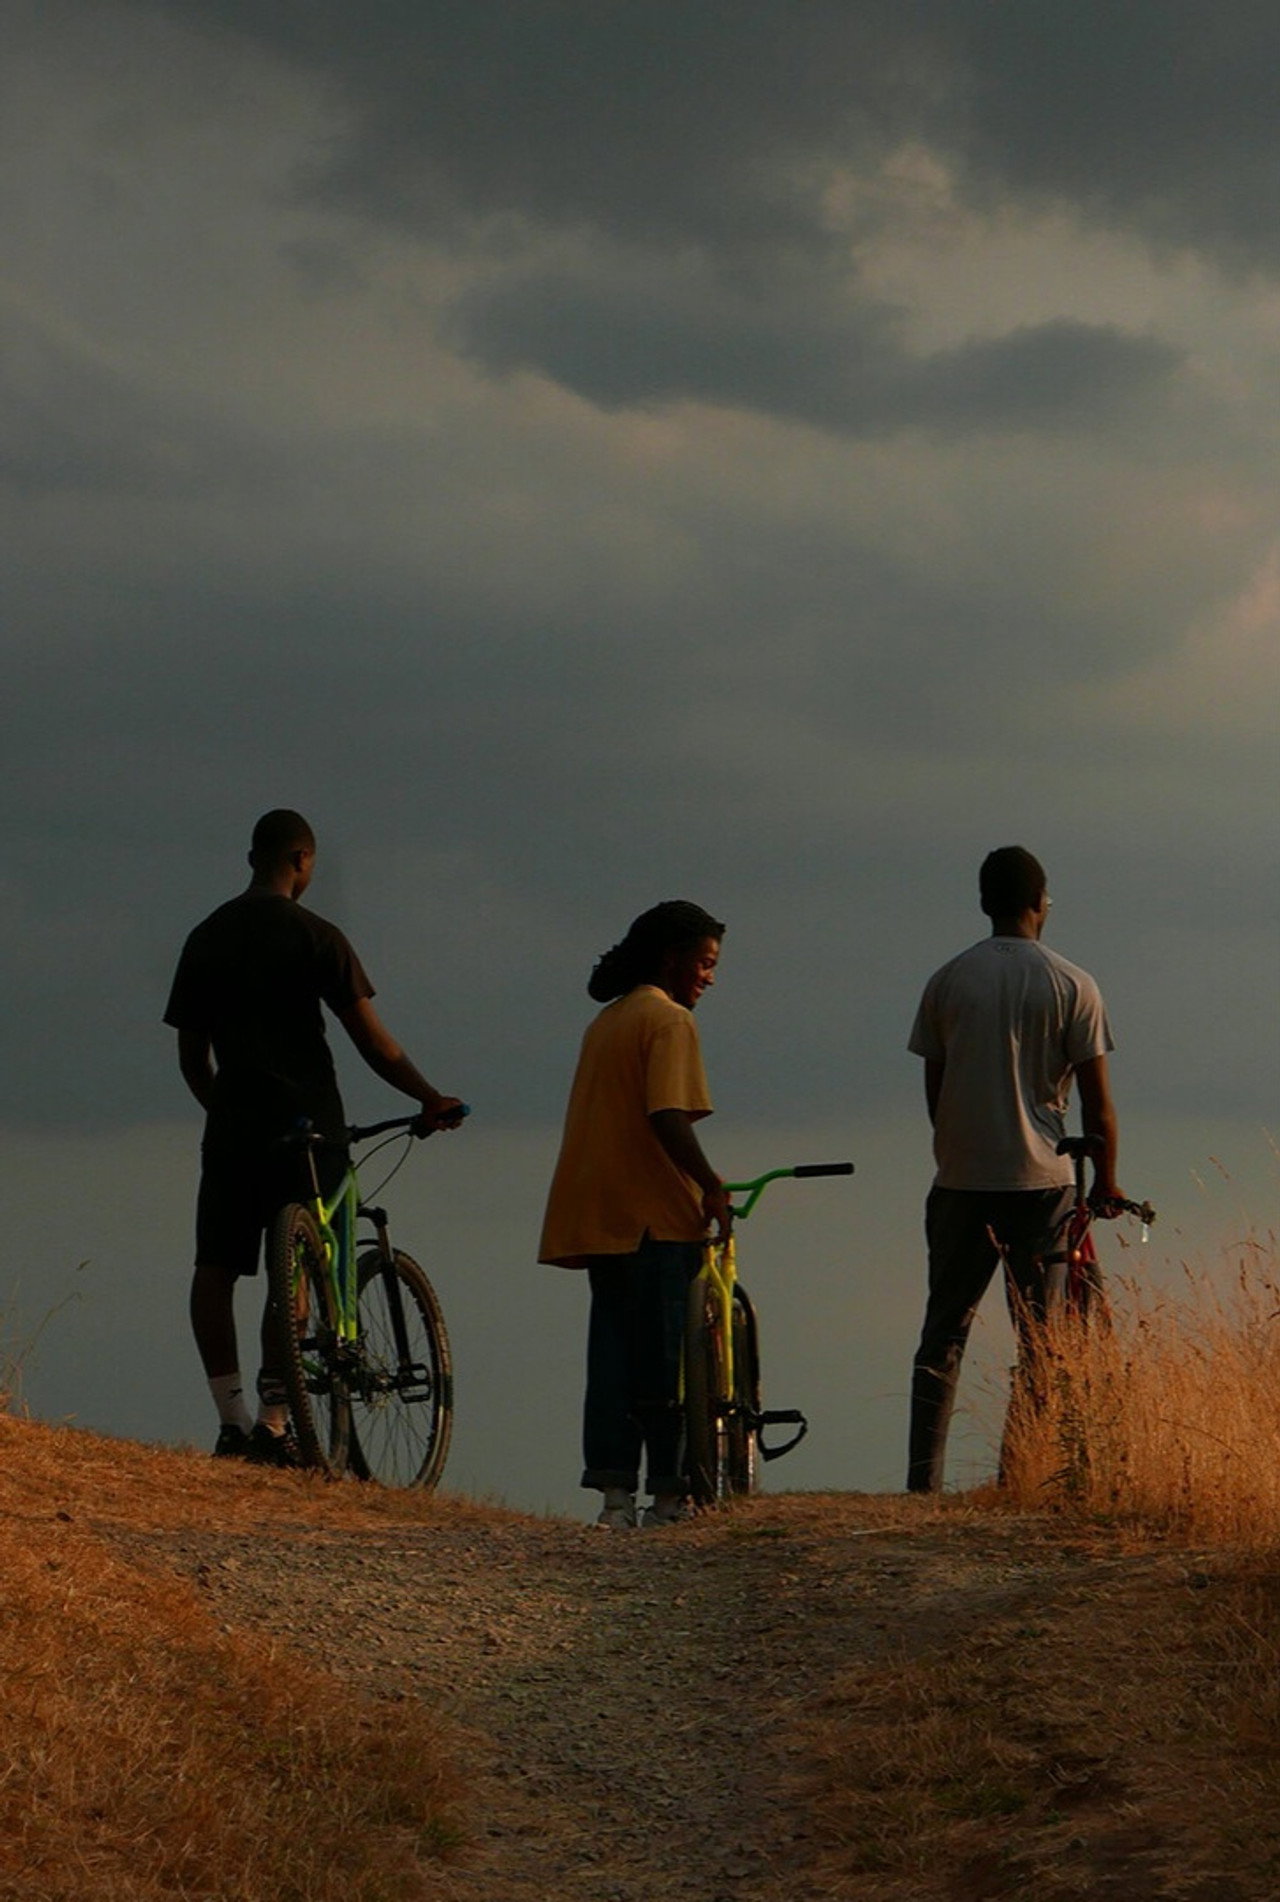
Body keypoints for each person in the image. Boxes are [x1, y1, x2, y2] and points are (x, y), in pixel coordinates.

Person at [165, 809, 465, 1465]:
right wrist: (428, 1097)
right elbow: (375, 1044)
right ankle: (277, 1421)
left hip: (233, 1126)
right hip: (308, 1122)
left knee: (215, 1267)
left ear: (253, 857)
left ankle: (231, 1418)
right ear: (302, 860)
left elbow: (192, 1059)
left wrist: (226, 1111)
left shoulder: (205, 936)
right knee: (297, 1261)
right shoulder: (318, 936)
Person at [905, 846, 1123, 1493]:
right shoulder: (1073, 983)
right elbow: (1098, 1104)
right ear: (1040, 902)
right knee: (1040, 1339)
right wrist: (1107, 1180)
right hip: (1042, 1184)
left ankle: (922, 1483)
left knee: (943, 1333)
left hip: (960, 1179)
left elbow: (935, 1088)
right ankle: (1016, 1476)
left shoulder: (947, 980)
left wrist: (958, 1144)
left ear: (984, 903)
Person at [539, 901, 731, 1529]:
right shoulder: (668, 1020)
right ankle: (669, 1496)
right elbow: (666, 1114)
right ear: (673, 960)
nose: (710, 977)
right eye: (704, 963)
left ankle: (614, 1496)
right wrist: (710, 1185)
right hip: (655, 1216)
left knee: (613, 1358)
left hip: (600, 1211)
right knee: (667, 1362)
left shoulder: (608, 1020)